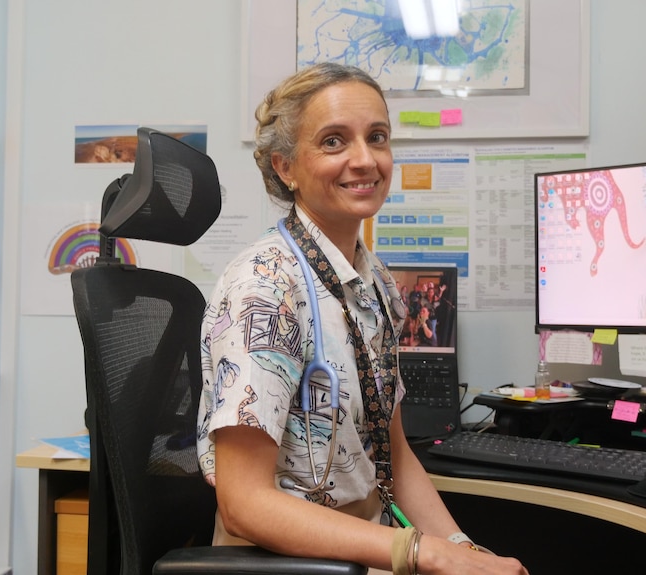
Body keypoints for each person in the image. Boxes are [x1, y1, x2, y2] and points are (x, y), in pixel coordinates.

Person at [197, 63, 528, 575]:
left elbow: (393, 455)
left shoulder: (374, 282)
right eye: (333, 142)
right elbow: (243, 505)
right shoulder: (264, 287)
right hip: (285, 563)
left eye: (377, 137)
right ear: (285, 167)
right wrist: (425, 553)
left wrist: (464, 549)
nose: (365, 159)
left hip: (367, 548)